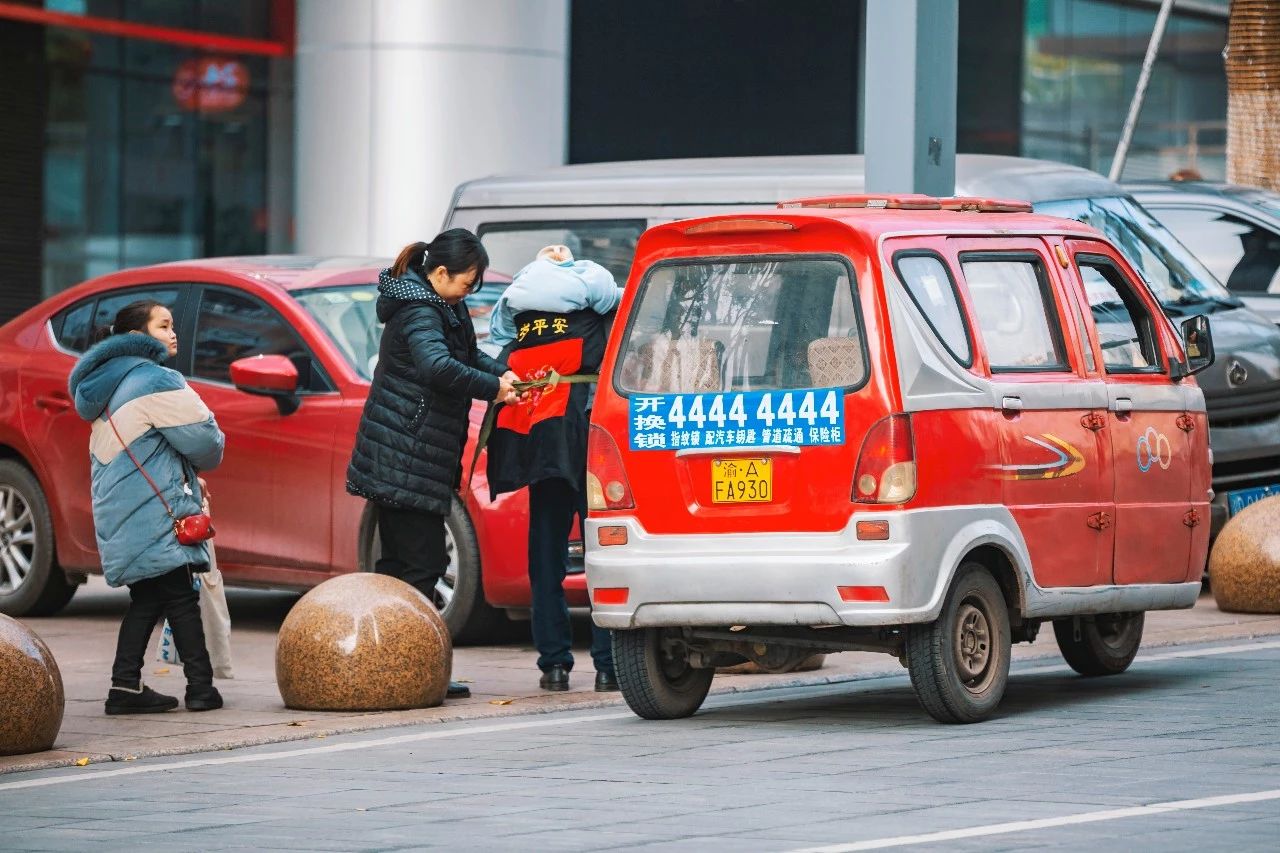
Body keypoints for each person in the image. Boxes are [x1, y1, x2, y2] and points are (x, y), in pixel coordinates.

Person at [346, 229, 519, 699]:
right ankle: (410, 670)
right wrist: (493, 390)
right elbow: (436, 367)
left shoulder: (441, 302)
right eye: (466, 282)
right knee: (419, 566)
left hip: (413, 455)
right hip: (404, 454)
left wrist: (500, 372)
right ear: (440, 273)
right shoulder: (421, 310)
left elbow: (463, 354)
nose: (469, 291)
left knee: (404, 565)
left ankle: (392, 668)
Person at [68, 299, 226, 715]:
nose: (173, 333)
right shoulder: (156, 379)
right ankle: (201, 689)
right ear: (138, 337)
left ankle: (125, 688)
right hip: (155, 513)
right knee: (179, 595)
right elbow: (208, 445)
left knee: (148, 599)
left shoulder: (104, 386)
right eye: (164, 325)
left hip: (121, 511)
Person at [485, 244, 624, 692]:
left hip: (541, 441)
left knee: (546, 554)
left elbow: (499, 356)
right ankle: (607, 665)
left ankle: (554, 665)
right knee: (603, 551)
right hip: (592, 441)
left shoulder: (522, 327)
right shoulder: (601, 320)